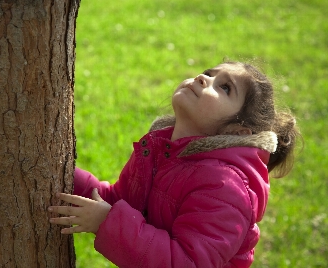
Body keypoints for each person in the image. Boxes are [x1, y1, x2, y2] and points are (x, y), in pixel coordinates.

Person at [48, 61, 300, 267]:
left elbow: (188, 262)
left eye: (225, 87)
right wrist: (58, 175)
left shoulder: (225, 187)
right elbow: (119, 202)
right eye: (208, 73)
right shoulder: (161, 151)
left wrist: (107, 221)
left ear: (238, 131)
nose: (203, 78)